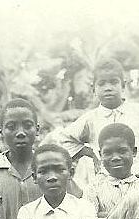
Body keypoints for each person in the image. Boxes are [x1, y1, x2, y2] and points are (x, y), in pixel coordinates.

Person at [57, 58, 139, 187]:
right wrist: (89, 152)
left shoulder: (136, 112)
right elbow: (63, 139)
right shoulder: (90, 118)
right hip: (104, 182)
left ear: (123, 85)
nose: (108, 88)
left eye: (114, 82)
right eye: (102, 84)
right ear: (93, 89)